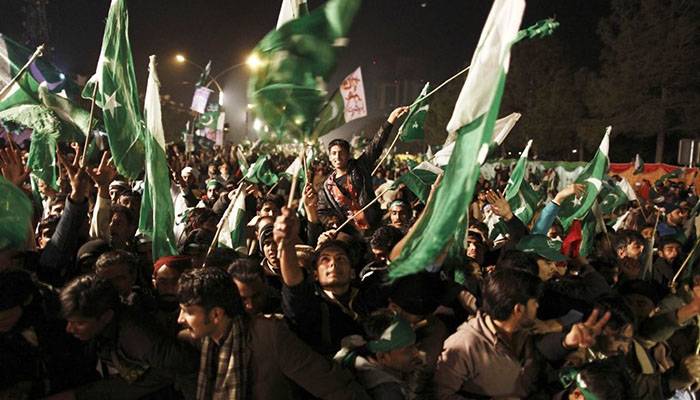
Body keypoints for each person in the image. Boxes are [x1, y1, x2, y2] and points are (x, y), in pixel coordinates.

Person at [176, 267, 370, 400]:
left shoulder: (268, 335)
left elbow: (332, 385)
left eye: (188, 311)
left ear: (216, 314)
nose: (180, 319)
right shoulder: (202, 342)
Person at [434, 268, 611, 399]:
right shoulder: (464, 344)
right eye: (534, 303)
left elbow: (542, 355)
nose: (538, 307)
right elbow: (439, 394)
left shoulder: (526, 332)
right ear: (518, 309)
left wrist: (568, 342)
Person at [56, 274, 198, 399]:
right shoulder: (105, 330)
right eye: (69, 321)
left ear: (106, 316)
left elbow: (185, 366)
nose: (69, 329)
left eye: (80, 323)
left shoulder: (137, 337)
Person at [318, 106, 409, 234]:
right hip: (349, 232)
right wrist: (332, 221)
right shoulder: (327, 187)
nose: (337, 157)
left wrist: (391, 118)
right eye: (333, 153)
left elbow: (376, 145)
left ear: (348, 154)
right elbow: (322, 211)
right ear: (329, 156)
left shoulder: (360, 166)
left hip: (373, 225)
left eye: (341, 153)